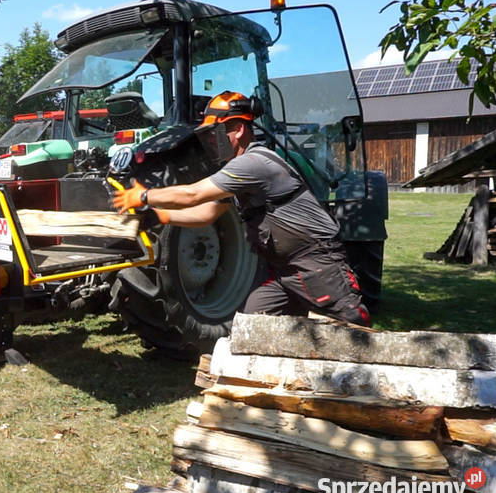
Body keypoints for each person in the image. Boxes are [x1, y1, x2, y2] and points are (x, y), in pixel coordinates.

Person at [112, 91, 371, 326]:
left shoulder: (253, 164)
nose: (210, 142)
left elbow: (193, 194)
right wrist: (160, 216)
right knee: (251, 323)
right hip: (284, 270)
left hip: (316, 262)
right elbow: (207, 214)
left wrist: (145, 196)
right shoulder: (237, 171)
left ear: (237, 129)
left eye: (214, 134)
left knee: (352, 327)